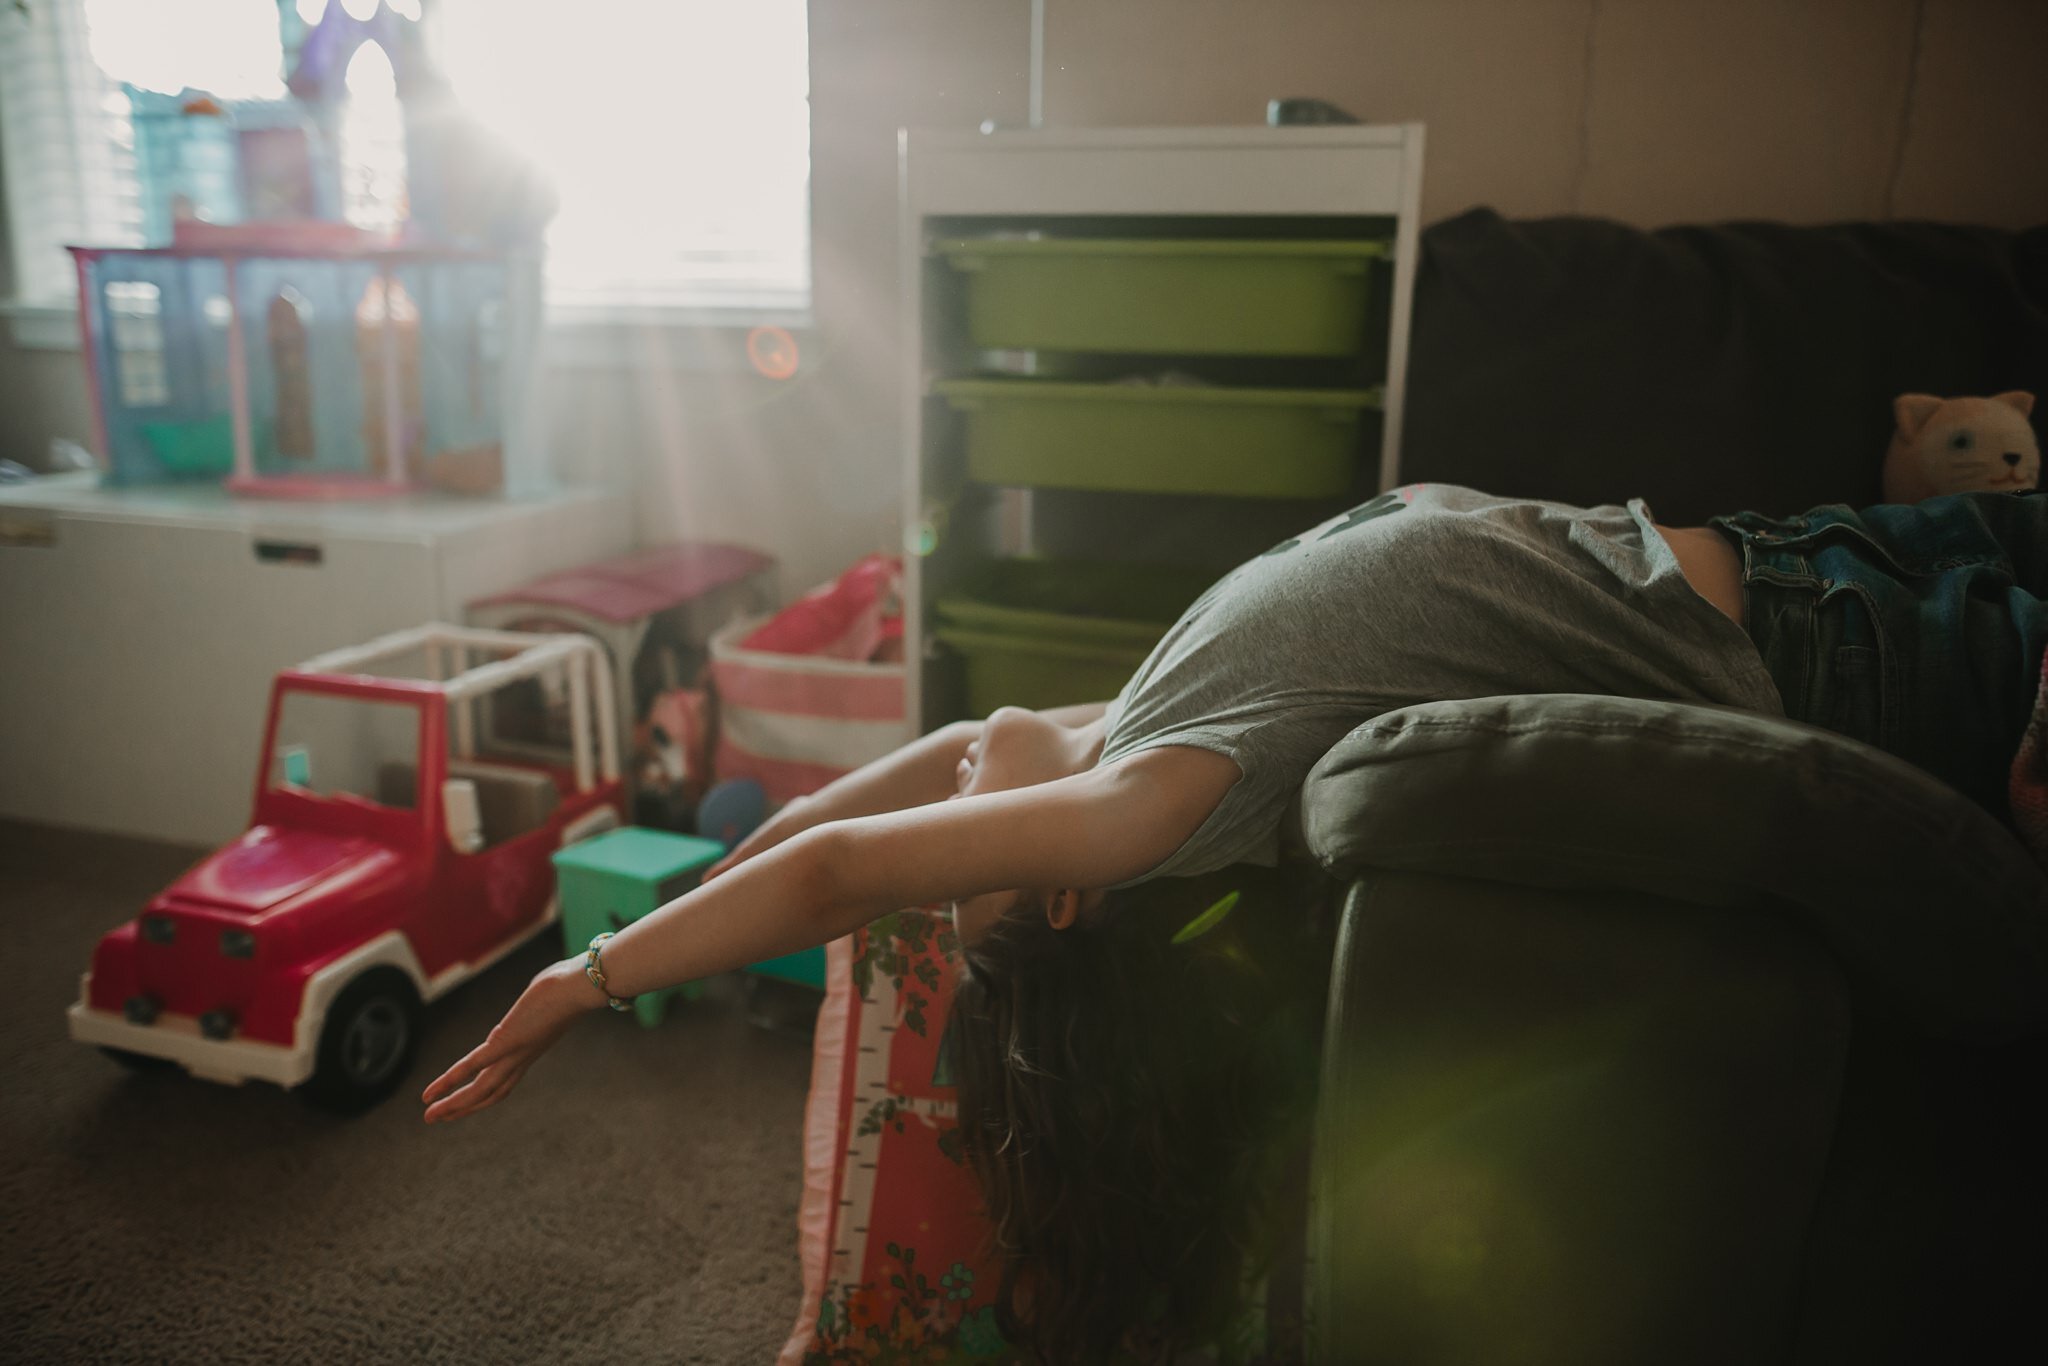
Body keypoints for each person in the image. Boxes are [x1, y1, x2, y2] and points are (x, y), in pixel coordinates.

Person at [421, 482, 2048, 1361]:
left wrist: (685, 897)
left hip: (1827, 560)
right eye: (971, 851)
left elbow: (859, 830)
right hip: (1874, 662)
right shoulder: (1157, 801)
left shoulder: (1143, 723)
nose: (954, 796)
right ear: (1065, 881)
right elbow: (868, 870)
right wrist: (594, 970)